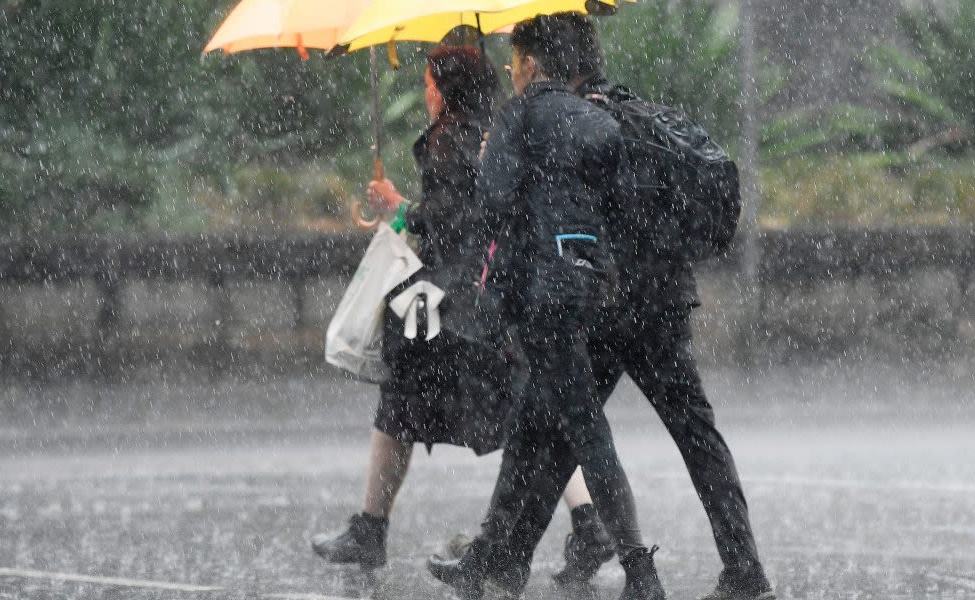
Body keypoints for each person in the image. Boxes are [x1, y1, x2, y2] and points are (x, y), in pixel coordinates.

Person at [428, 12, 777, 600]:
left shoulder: (563, 123)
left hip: (601, 309)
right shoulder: (634, 114)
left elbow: (519, 211)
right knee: (692, 435)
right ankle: (745, 569)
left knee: (544, 425)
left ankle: (508, 560)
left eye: (519, 60)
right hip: (661, 303)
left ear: (542, 62)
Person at [431, 14, 666, 600]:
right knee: (530, 425)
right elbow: (618, 209)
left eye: (513, 61)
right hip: (586, 287)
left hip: (537, 295)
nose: (509, 72)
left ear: (532, 63)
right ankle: (490, 558)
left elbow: (493, 203)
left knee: (587, 432)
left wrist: (492, 156)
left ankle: (640, 568)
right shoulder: (596, 121)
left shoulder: (518, 116)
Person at [310, 44, 507, 571]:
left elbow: (448, 221)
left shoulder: (446, 141)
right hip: (496, 293)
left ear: (445, 90)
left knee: (399, 400)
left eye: (428, 82)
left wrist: (402, 209)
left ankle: (370, 530)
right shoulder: (501, 134)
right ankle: (587, 524)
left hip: (449, 302)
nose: (425, 92)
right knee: (525, 411)